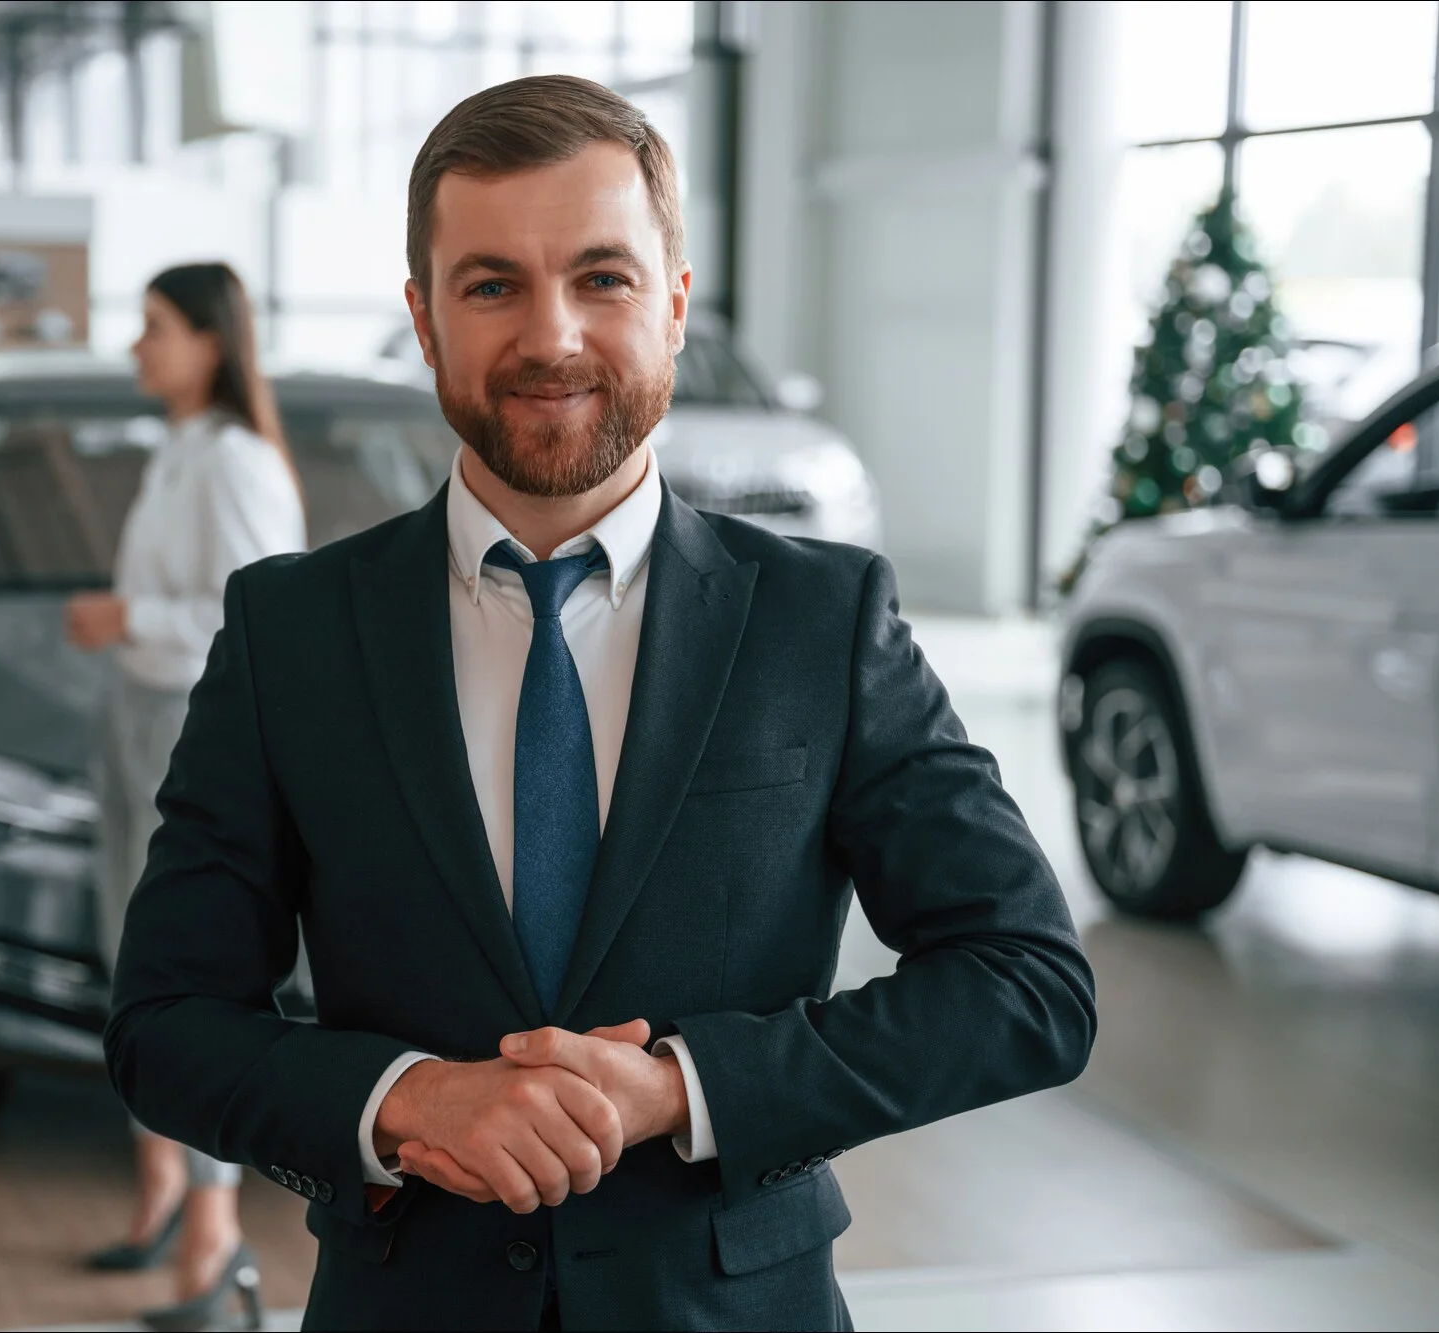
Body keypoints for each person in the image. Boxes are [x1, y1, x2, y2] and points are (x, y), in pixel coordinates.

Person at [107, 75, 1097, 1332]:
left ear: (674, 304)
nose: (551, 336)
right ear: (423, 321)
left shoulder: (818, 621)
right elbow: (162, 1022)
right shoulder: (290, 631)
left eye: (602, 278)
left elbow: (1025, 981)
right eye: (490, 285)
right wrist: (404, 1101)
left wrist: (678, 1089)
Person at [64, 262, 305, 1332]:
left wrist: (131, 620)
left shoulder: (236, 463)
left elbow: (253, 621)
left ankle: (213, 1240)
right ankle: (163, 1191)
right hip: (132, 718)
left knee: (191, 980)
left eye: (153, 326)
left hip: (183, 731)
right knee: (133, 968)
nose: (135, 346)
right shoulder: (180, 451)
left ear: (210, 339)